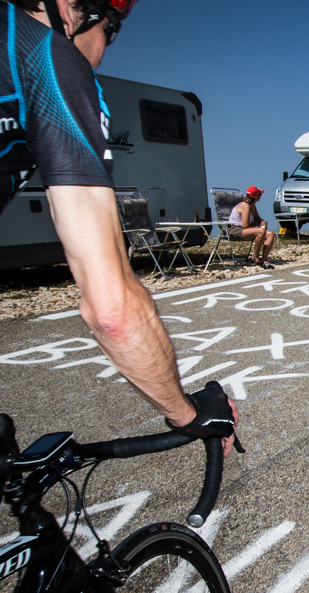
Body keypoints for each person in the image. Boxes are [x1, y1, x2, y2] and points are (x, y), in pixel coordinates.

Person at [0, 0, 238, 454]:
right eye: (112, 29)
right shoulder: (46, 60)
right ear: (72, 8)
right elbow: (112, 311)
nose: (106, 46)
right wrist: (188, 414)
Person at [228, 185, 275, 269]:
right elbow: (245, 225)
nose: (261, 196)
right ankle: (255, 257)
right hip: (236, 230)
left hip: (245, 230)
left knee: (270, 234)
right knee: (261, 232)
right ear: (256, 196)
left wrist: (262, 222)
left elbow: (257, 218)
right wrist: (256, 227)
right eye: (260, 194)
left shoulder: (252, 206)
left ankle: (264, 259)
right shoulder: (246, 206)